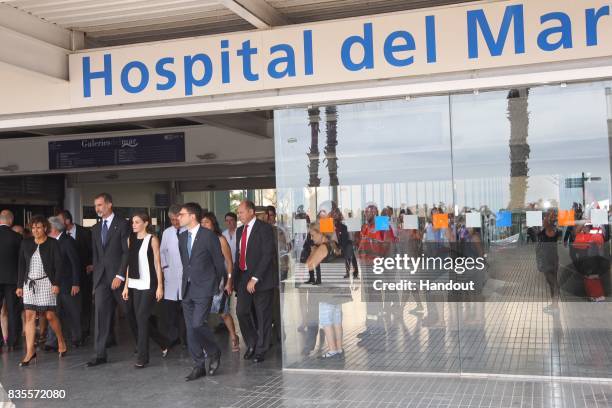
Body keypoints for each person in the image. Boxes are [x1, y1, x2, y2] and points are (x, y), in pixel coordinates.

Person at [177, 203, 226, 381]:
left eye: (181, 214)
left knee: (198, 324)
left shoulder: (208, 236)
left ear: (192, 216)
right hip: (187, 288)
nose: (178, 217)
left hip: (204, 287)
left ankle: (213, 351)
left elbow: (219, 263)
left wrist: (218, 284)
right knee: (190, 329)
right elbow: (186, 263)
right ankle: (198, 366)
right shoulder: (181, 237)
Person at [87, 193, 131, 367]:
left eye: (100, 205)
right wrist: (96, 280)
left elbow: (127, 252)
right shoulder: (96, 229)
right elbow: (96, 256)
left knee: (131, 313)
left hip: (118, 278)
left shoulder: (122, 224)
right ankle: (100, 354)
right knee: (100, 317)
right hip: (101, 280)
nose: (97, 208)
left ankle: (153, 343)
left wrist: (120, 275)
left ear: (109, 204)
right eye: (95, 206)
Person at [16, 215, 67, 366]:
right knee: (30, 315)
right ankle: (30, 352)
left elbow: (59, 265)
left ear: (45, 228)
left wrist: (56, 283)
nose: (35, 230)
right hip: (29, 284)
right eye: (33, 228)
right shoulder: (25, 243)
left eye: (38, 227)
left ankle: (61, 341)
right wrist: (19, 285)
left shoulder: (53, 244)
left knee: (50, 315)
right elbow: (21, 266)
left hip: (47, 283)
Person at [121, 212, 168, 368]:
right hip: (135, 283)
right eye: (132, 222)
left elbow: (157, 263)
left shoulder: (152, 239)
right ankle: (163, 342)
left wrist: (160, 286)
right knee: (141, 319)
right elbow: (128, 263)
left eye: (137, 222)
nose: (133, 225)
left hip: (149, 284)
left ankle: (142, 357)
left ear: (146, 223)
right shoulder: (131, 239)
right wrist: (126, 286)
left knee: (141, 318)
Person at [201, 212, 240, 352]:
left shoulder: (220, 239)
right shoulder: (199, 239)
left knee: (223, 312)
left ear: (213, 224)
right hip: (203, 282)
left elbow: (229, 262)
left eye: (206, 222)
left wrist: (229, 281)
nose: (204, 224)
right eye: (202, 222)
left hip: (219, 281)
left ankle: (234, 336)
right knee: (202, 314)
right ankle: (206, 345)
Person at [306, 223, 345, 358]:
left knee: (326, 319)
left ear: (321, 234)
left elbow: (309, 266)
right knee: (337, 319)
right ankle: (339, 348)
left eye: (313, 235)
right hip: (337, 287)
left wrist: (312, 252)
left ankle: (332, 349)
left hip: (327, 289)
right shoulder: (334, 244)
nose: (311, 238)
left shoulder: (323, 247)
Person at [45, 216, 81, 351]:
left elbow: (75, 263)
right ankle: (51, 341)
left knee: (72, 312)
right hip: (54, 284)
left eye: (47, 227)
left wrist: (76, 283)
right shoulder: (50, 242)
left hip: (68, 284)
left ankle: (76, 338)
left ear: (53, 228)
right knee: (53, 313)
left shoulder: (67, 242)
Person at [58, 210, 93, 344]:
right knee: (71, 306)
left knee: (85, 303)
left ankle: (84, 331)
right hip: (68, 277)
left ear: (67, 221)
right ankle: (74, 332)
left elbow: (93, 250)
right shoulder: (59, 236)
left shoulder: (84, 232)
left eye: (59, 220)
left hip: (85, 273)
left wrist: (92, 264)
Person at [159, 204, 186, 349]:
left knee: (185, 309)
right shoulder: (167, 232)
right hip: (171, 275)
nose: (175, 223)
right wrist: (164, 266)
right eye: (172, 220)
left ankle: (186, 337)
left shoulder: (189, 230)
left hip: (186, 275)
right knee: (171, 310)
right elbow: (162, 251)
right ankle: (173, 337)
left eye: (177, 219)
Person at [0, 210, 22, 351]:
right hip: (13, 279)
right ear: (11, 221)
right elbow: (22, 261)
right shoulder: (17, 237)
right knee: (13, 311)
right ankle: (13, 342)